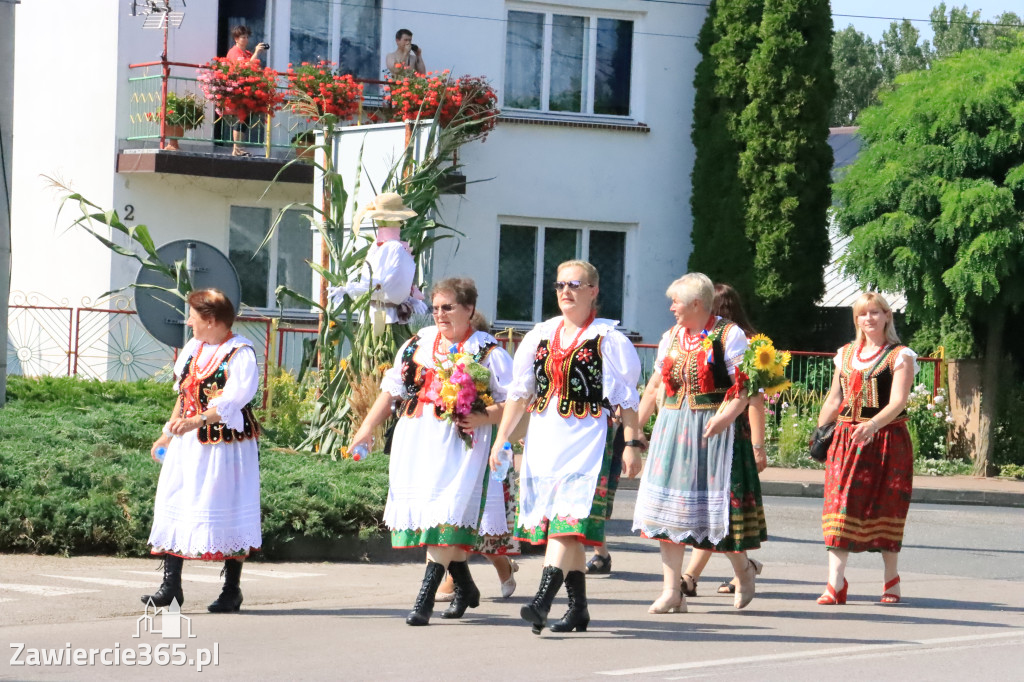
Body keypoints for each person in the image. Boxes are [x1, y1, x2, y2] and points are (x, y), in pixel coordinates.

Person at [349, 278, 513, 626]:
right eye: (436, 308)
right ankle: (466, 588)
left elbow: (513, 404)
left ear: (469, 309)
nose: (439, 314)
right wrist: (365, 431)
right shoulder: (416, 345)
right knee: (432, 517)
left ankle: (423, 600)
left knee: (445, 515)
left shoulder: (488, 352)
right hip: (417, 441)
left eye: (448, 307)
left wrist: (483, 415)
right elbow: (390, 391)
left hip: (461, 445)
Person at [492, 260, 643, 635]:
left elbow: (626, 399)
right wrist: (502, 439)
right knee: (565, 527)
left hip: (587, 439)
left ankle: (542, 600)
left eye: (575, 284)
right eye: (560, 285)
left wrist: (632, 444)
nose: (565, 291)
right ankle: (578, 610)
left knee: (567, 522)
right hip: (545, 438)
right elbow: (520, 392)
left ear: (593, 291)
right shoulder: (540, 335)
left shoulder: (609, 340)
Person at [632, 273, 766, 613]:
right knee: (669, 514)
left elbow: (747, 387)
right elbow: (656, 384)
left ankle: (743, 570)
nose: (671, 307)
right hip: (673, 430)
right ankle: (671, 591)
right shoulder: (672, 336)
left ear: (696, 304)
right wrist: (637, 431)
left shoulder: (730, 335)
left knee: (715, 512)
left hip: (714, 433)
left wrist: (726, 416)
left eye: (676, 301)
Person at [143, 288, 262, 613]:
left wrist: (195, 421)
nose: (189, 322)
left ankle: (231, 590)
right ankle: (171, 586)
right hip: (189, 443)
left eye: (193, 316)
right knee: (174, 498)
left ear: (210, 320)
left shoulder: (241, 354)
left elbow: (234, 400)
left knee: (229, 505)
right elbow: (184, 394)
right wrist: (168, 433)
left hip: (226, 446)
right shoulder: (194, 348)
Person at [814, 292, 915, 605]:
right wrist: (820, 433)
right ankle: (835, 583)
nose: (869, 319)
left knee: (886, 506)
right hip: (846, 439)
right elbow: (834, 398)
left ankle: (891, 579)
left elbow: (898, 400)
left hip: (886, 439)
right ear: (855, 320)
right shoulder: (844, 354)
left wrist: (872, 426)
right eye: (862, 314)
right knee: (838, 506)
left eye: (875, 313)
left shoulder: (900, 355)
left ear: (887, 316)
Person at [679, 283, 767, 598]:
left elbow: (754, 398)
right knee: (707, 507)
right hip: (704, 431)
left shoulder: (740, 343)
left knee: (723, 508)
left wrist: (758, 445)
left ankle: (695, 575)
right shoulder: (696, 339)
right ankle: (739, 569)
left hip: (733, 434)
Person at [435, 311, 521, 602]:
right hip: (456, 447)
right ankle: (452, 579)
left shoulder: (492, 360)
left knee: (487, 532)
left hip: (488, 449)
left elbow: (511, 404)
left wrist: (482, 416)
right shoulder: (448, 362)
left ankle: (504, 567)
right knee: (457, 517)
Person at [583, 417, 625, 575]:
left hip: (603, 425)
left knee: (591, 496)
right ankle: (601, 555)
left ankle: (565, 561)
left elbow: (626, 395)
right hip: (578, 423)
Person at [225, 25, 268, 157]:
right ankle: (237, 149)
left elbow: (255, 68)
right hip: (238, 91)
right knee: (241, 118)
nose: (246, 39)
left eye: (247, 37)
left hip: (248, 91)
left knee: (245, 119)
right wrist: (256, 53)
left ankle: (238, 148)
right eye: (243, 37)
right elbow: (244, 68)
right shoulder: (234, 52)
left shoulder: (247, 54)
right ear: (236, 39)